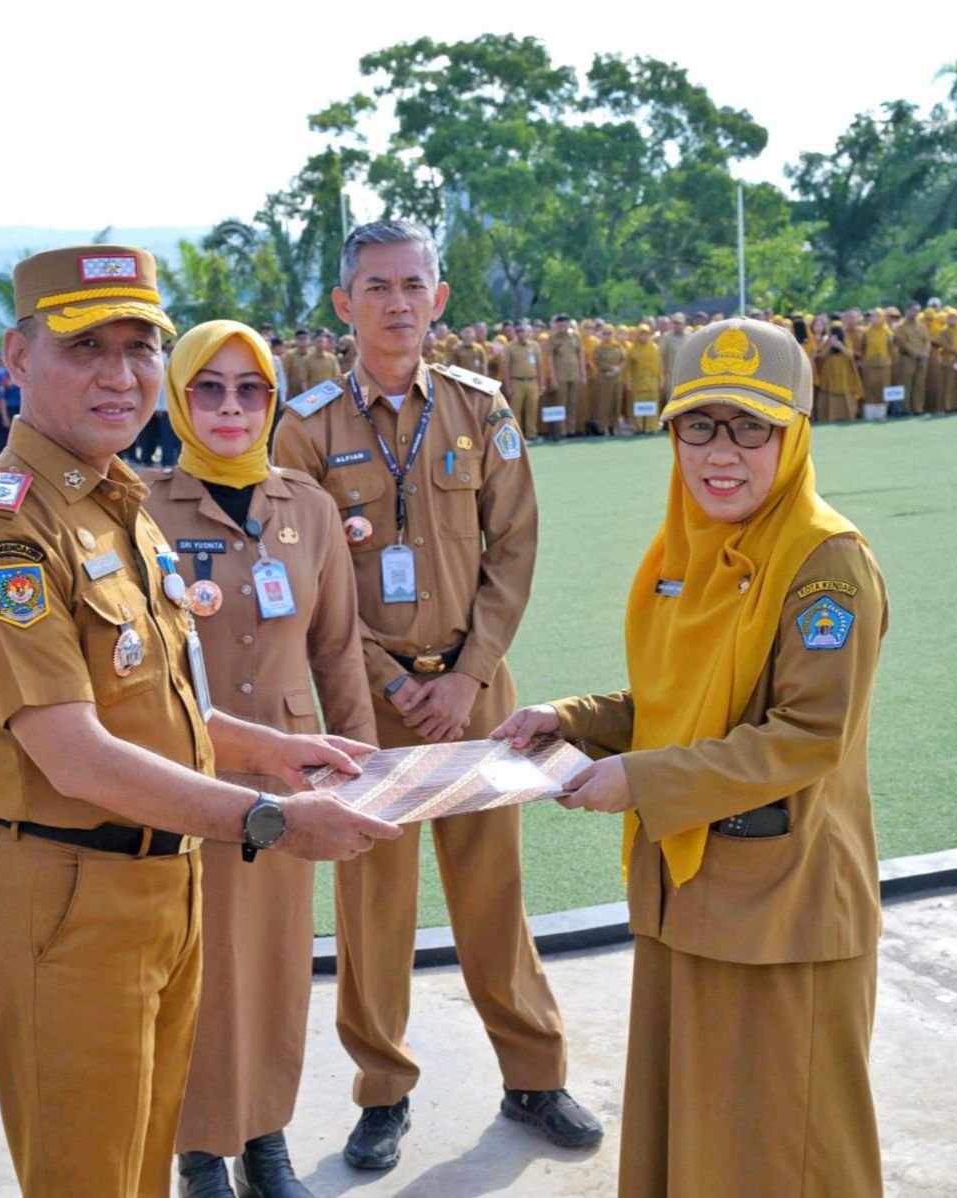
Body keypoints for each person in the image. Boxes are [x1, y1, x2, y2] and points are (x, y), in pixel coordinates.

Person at [0, 245, 400, 1198]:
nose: (121, 372)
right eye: (84, 347)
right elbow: (74, 753)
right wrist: (269, 817)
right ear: (17, 360)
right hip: (68, 903)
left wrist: (278, 749)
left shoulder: (116, 506)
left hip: (157, 888)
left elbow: (164, 708)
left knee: (142, 1173)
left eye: (140, 344)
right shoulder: (6, 530)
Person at [493, 317, 888, 1197]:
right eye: (698, 424)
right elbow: (677, 707)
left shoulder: (825, 564)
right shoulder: (684, 553)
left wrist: (640, 779)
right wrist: (571, 720)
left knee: (793, 1151)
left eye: (753, 427)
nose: (722, 452)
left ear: (793, 436)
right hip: (689, 892)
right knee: (700, 1144)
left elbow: (805, 736)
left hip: (783, 915)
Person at [271, 220, 602, 1173]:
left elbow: (514, 550)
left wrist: (463, 675)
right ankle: (383, 1094)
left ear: (439, 297)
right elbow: (306, 579)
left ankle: (535, 1076)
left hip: (477, 696)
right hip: (366, 705)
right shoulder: (305, 426)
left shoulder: (479, 408)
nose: (397, 302)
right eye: (376, 286)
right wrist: (386, 682)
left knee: (493, 895)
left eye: (413, 284)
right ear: (344, 304)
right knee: (374, 906)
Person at [141, 319, 376, 1198]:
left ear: (272, 399)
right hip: (179, 772)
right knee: (197, 962)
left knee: (277, 961)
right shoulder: (140, 506)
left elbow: (339, 651)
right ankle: (200, 1150)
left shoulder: (308, 508)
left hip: (291, 779)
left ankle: (266, 1140)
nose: (232, 407)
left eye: (251, 389)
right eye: (211, 387)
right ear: (180, 397)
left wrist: (369, 777)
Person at [624, 322, 664, 434]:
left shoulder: (655, 348)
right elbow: (628, 368)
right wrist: (628, 382)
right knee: (639, 406)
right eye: (641, 334)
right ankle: (639, 427)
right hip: (638, 383)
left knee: (652, 405)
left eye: (646, 334)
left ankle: (651, 427)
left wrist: (661, 380)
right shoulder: (632, 349)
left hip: (652, 383)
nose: (643, 337)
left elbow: (659, 366)